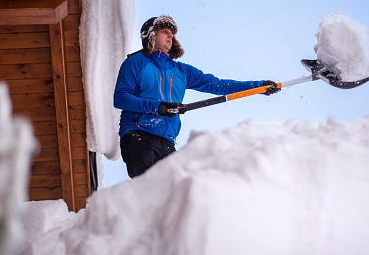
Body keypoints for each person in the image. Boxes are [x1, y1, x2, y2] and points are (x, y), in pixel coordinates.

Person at [114, 15, 279, 178]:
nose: (171, 35)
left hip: (168, 142)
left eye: (172, 33)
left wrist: (258, 86)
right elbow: (120, 98)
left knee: (172, 199)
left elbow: (218, 84)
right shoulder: (136, 63)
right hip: (139, 136)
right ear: (150, 35)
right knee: (148, 196)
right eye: (165, 31)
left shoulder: (181, 71)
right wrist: (157, 107)